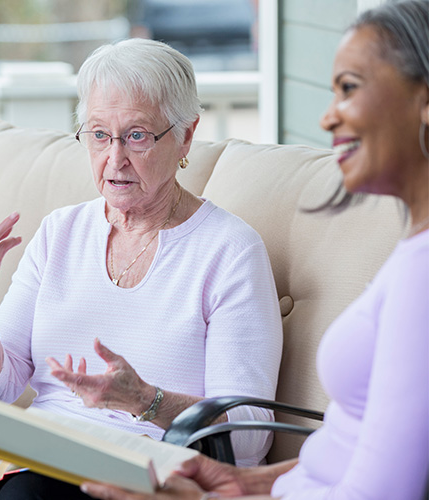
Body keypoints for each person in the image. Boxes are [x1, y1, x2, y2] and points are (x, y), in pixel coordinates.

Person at [79, 2, 429, 499]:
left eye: (350, 88)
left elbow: (382, 490)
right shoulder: (412, 251)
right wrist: (249, 482)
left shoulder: (423, 278)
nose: (328, 117)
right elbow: (352, 451)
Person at [0, 38, 283, 500]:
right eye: (97, 134)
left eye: (136, 135)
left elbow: (250, 438)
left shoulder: (230, 251)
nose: (114, 159)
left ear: (185, 136)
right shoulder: (60, 232)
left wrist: (144, 400)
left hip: (150, 463)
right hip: (43, 444)